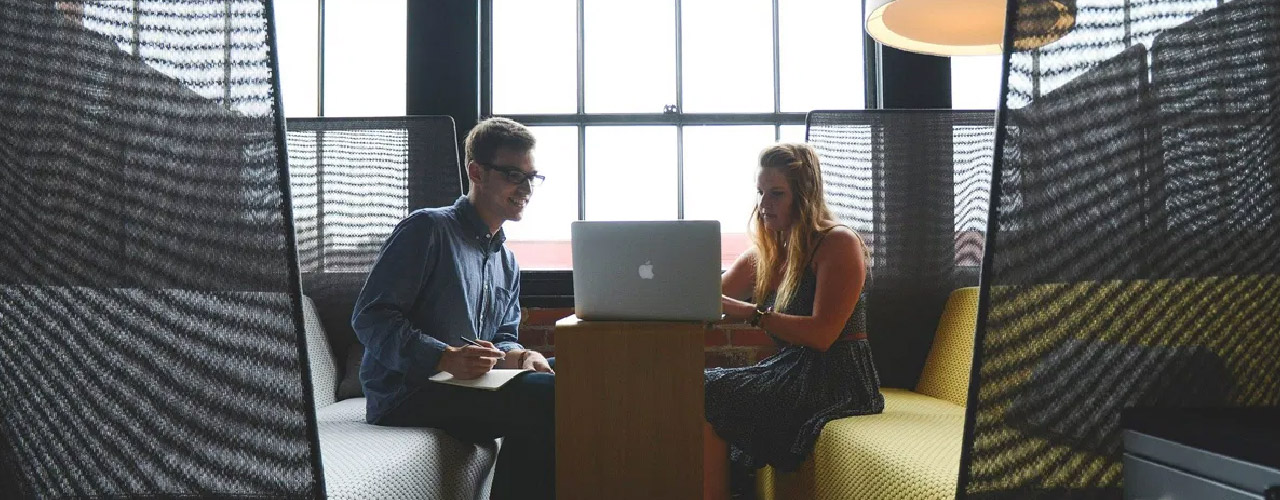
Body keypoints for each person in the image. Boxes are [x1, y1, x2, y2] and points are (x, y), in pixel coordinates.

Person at [351, 117, 555, 500]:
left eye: (532, 177)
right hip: (407, 394)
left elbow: (502, 339)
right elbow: (370, 316)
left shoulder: (506, 261)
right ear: (476, 171)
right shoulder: (426, 229)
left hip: (467, 388)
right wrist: (444, 357)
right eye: (514, 175)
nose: (526, 188)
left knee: (573, 379)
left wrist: (521, 355)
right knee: (546, 396)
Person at [703, 143, 885, 499]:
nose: (764, 205)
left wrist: (752, 314)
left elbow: (823, 335)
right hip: (792, 369)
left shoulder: (838, 243)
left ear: (803, 197)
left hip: (838, 376)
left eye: (776, 194)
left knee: (709, 389)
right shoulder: (769, 253)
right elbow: (705, 299)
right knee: (699, 386)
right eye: (760, 193)